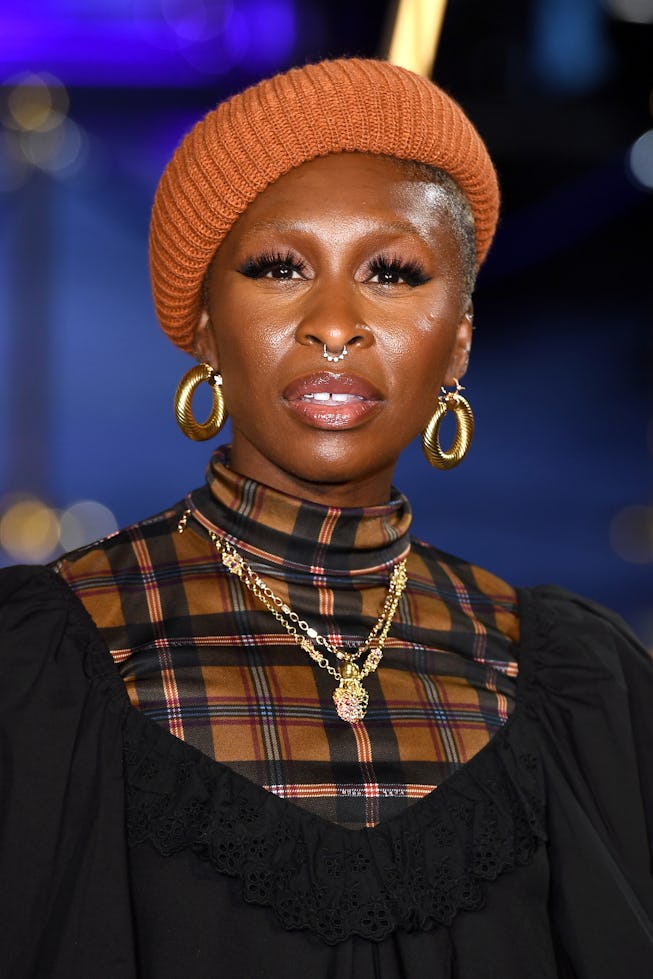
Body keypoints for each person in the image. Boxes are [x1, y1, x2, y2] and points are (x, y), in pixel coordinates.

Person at [1, 58, 652, 978]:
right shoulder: (39, 669)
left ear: (458, 334)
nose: (336, 322)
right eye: (278, 267)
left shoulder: (577, 686)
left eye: (392, 272)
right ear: (202, 323)